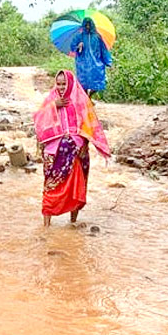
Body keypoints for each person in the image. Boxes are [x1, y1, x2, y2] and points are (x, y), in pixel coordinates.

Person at [34, 69, 111, 225]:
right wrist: (54, 106)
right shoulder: (51, 99)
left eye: (64, 84)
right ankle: (46, 225)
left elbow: (88, 124)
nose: (61, 87)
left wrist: (85, 143)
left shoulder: (80, 100)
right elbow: (38, 119)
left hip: (76, 149)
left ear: (70, 84)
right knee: (51, 186)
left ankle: (73, 222)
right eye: (59, 84)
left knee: (76, 186)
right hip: (54, 151)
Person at [72, 17, 112, 96]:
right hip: (82, 64)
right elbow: (72, 47)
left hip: (96, 63)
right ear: (83, 25)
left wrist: (109, 62)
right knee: (84, 84)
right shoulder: (79, 36)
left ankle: (89, 96)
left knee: (99, 82)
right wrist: (78, 46)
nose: (87, 27)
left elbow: (103, 50)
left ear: (92, 25)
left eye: (89, 25)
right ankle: (87, 100)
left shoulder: (97, 37)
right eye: (86, 25)